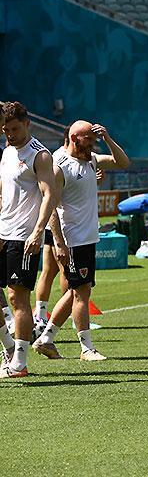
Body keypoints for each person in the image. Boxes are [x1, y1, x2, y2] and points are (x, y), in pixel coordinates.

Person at [33, 121, 130, 361]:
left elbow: (123, 162)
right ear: (75, 138)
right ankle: (86, 348)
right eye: (90, 139)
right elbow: (51, 207)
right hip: (72, 238)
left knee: (79, 290)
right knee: (81, 292)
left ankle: (46, 339)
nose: (93, 144)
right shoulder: (60, 166)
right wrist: (59, 242)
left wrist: (107, 138)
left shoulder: (90, 160)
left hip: (87, 237)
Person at [0, 101, 59, 378]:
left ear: (27, 124)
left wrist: (38, 231)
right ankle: (9, 346)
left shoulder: (40, 155)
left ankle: (20, 363)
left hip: (24, 236)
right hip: (3, 231)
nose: (10, 134)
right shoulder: (7, 152)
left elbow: (50, 195)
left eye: (15, 129)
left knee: (17, 297)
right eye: (6, 130)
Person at [35, 125, 72, 328]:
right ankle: (71, 315)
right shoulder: (59, 158)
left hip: (53, 222)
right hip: (60, 223)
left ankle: (40, 316)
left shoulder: (58, 157)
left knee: (48, 272)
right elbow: (53, 194)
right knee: (66, 271)